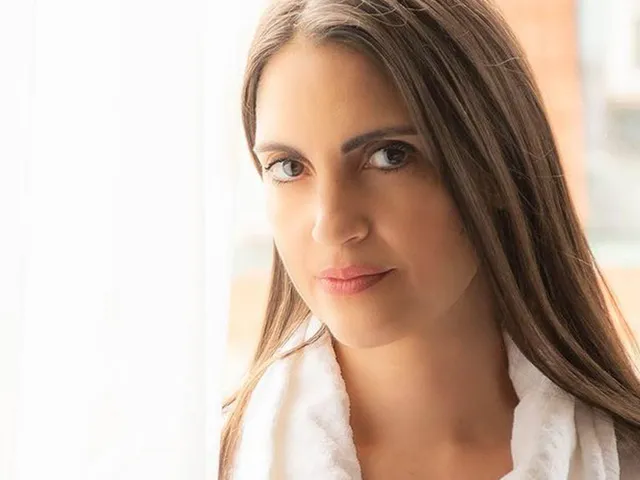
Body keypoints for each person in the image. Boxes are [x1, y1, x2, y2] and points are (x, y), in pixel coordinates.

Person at [220, 0, 640, 478]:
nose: (331, 225)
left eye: (390, 156)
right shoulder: (192, 460)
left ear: (494, 167)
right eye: (288, 167)